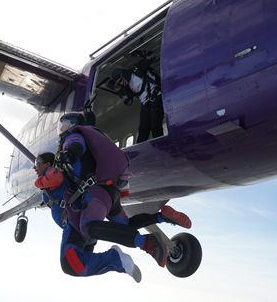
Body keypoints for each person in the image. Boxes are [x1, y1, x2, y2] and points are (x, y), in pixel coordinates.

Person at [54, 113, 192, 268]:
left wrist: (69, 155)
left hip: (96, 193)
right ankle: (162, 216)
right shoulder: (97, 138)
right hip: (110, 193)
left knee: (87, 227)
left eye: (65, 124)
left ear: (73, 125)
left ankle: (146, 242)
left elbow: (75, 145)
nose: (62, 129)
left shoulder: (73, 135)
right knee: (125, 224)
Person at [34, 152, 142, 282]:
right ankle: (120, 261)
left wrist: (38, 182)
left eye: (37, 163)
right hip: (81, 228)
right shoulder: (49, 181)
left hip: (75, 223)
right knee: (79, 264)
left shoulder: (53, 172)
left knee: (73, 265)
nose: (35, 167)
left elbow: (55, 176)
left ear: (47, 164)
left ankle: (117, 259)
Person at [112, 66, 164, 143]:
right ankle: (139, 147)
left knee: (155, 126)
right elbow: (128, 101)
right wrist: (122, 92)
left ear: (123, 75)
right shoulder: (127, 86)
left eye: (120, 80)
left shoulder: (137, 72)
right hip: (145, 103)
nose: (121, 83)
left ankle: (161, 145)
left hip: (156, 97)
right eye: (119, 83)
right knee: (143, 129)